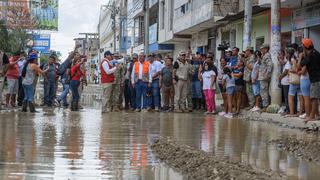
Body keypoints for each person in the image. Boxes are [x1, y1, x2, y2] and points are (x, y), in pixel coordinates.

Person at [300, 38, 320, 122]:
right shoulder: (317, 53)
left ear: (305, 47)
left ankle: (312, 116)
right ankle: (317, 115)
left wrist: (301, 57)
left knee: (314, 98)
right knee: (315, 97)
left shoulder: (310, 56)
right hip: (317, 78)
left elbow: (301, 65)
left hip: (315, 79)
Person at [286, 48, 304, 117]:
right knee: (300, 97)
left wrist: (290, 70)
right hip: (299, 80)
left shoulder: (292, 59)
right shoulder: (297, 59)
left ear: (288, 53)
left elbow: (295, 69)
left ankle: (291, 113)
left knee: (290, 97)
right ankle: (300, 113)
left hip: (294, 81)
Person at [258, 44, 273, 111]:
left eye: (262, 49)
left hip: (264, 77)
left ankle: (265, 106)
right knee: (263, 91)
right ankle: (265, 105)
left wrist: (267, 74)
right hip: (262, 76)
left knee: (264, 92)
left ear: (266, 49)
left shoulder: (267, 55)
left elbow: (270, 65)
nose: (261, 50)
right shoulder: (264, 56)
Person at [297, 47, 311, 120]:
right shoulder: (306, 60)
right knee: (307, 98)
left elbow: (302, 71)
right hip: (305, 80)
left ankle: (307, 114)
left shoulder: (306, 60)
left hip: (305, 80)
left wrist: (299, 58)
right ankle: (308, 113)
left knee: (306, 98)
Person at [278, 49, 289, 115]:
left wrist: (279, 59)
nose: (280, 55)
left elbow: (282, 63)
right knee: (285, 96)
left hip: (286, 80)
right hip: (283, 80)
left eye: (281, 54)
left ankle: (288, 109)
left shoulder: (286, 60)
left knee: (286, 96)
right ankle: (286, 108)